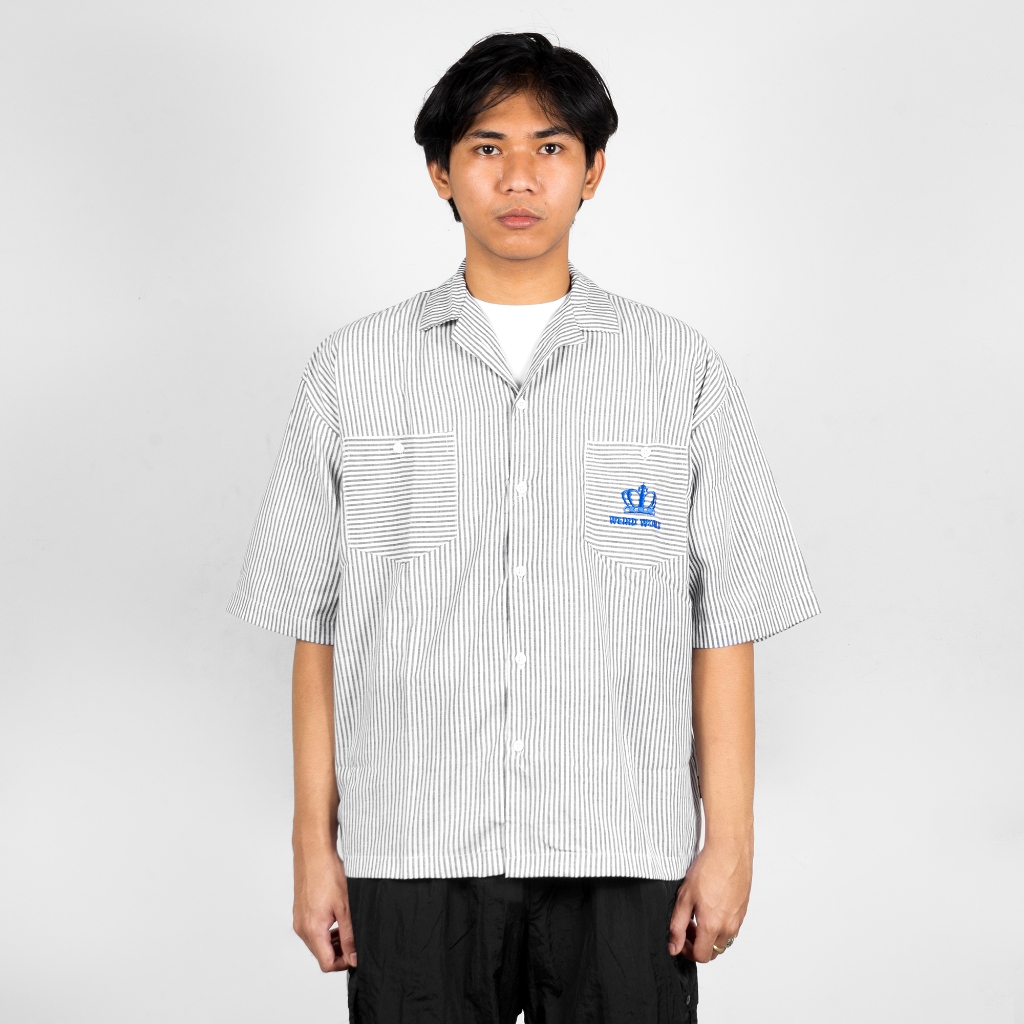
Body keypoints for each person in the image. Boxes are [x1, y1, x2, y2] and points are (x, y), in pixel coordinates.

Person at [228, 31, 820, 1023]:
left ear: (593, 170)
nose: (518, 176)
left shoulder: (677, 371)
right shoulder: (353, 371)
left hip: (621, 843)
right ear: (440, 173)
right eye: (486, 147)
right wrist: (311, 848)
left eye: (549, 147)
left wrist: (730, 845)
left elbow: (725, 622)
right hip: (412, 846)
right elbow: (315, 625)